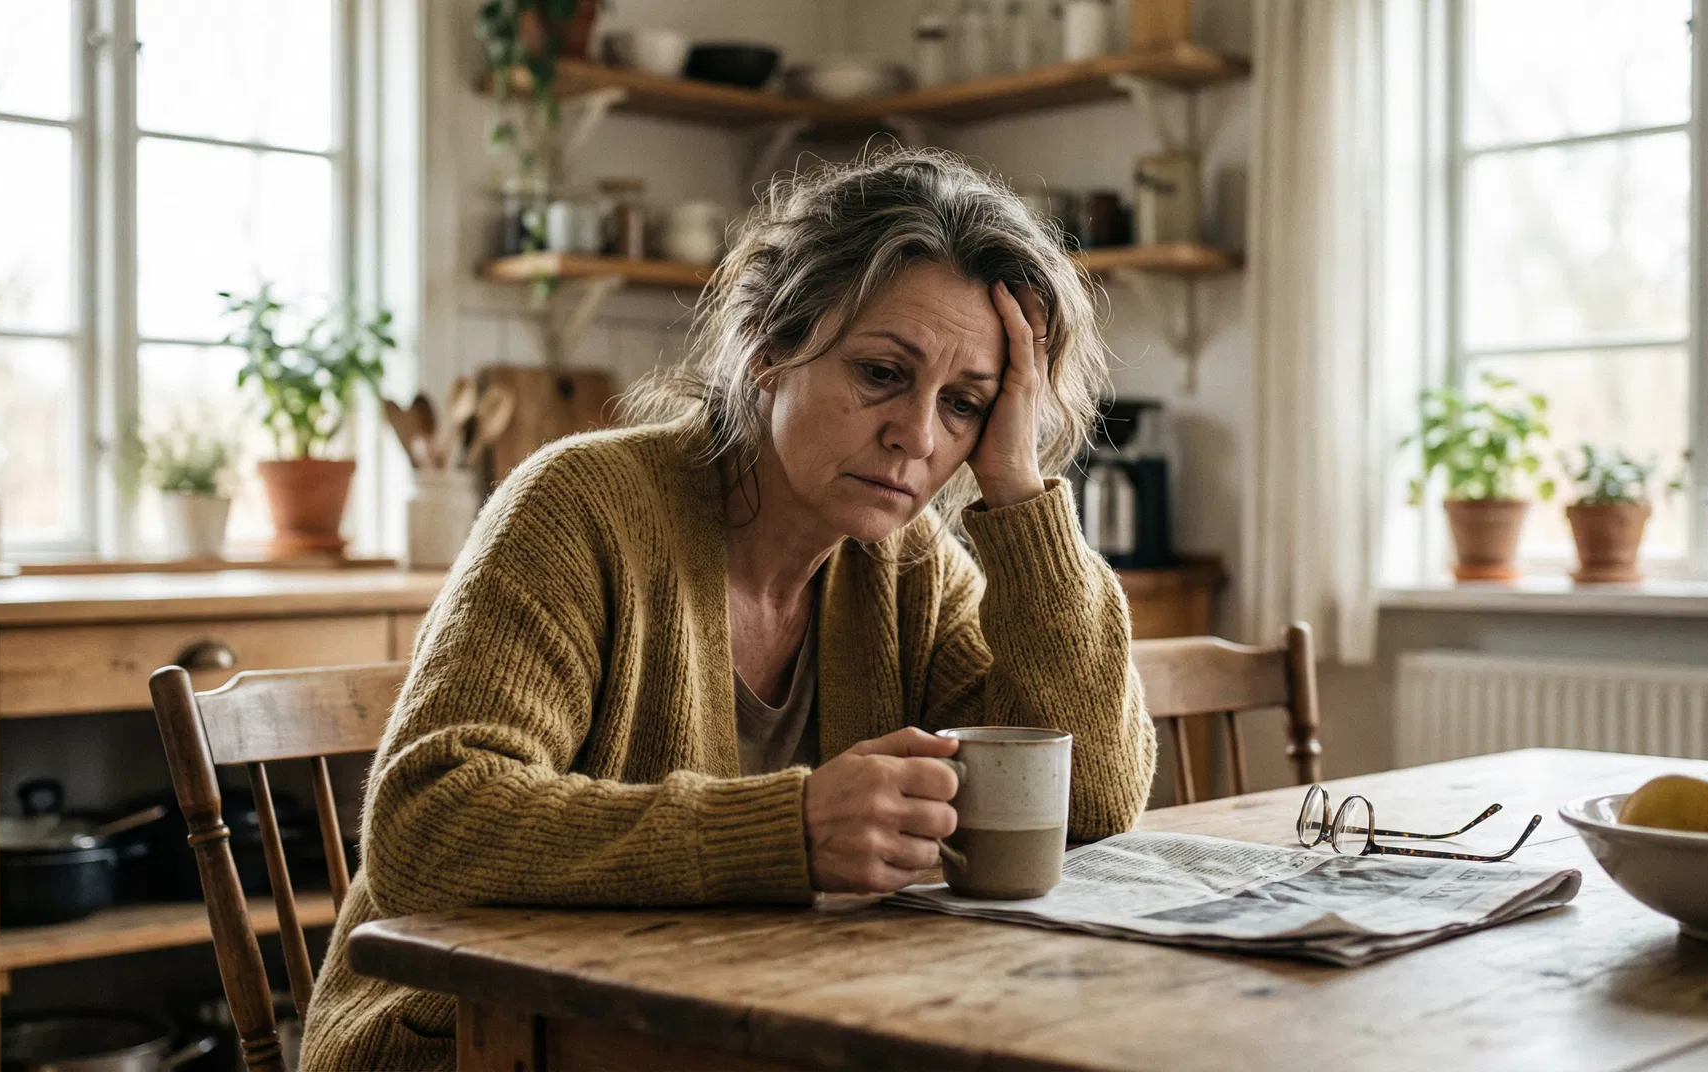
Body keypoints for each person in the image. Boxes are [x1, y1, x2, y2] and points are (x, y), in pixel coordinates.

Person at [301, 147, 1158, 1069]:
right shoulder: (578, 507)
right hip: (471, 1040)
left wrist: (1020, 490)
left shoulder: (911, 569)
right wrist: (784, 832)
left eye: (964, 404)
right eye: (880, 373)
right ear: (766, 348)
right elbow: (428, 829)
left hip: (731, 1024)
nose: (917, 434)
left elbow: (1094, 802)